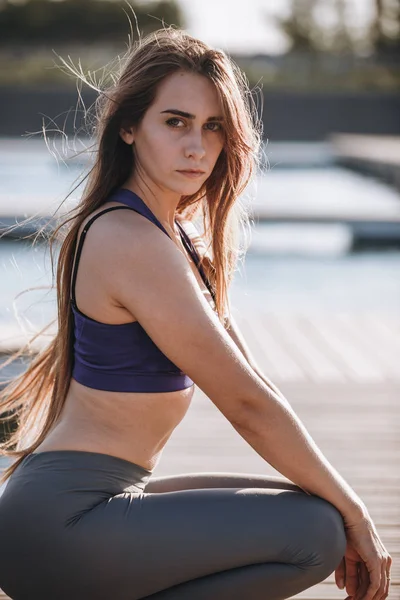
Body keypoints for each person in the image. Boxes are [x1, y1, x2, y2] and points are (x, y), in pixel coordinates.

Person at [0, 28, 391, 600]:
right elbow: (246, 406)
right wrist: (358, 512)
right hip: (61, 524)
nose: (197, 147)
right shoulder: (129, 238)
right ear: (130, 127)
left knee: (316, 513)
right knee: (319, 531)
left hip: (94, 506)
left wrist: (343, 503)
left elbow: (255, 386)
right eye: (175, 122)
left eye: (214, 127)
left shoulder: (172, 239)